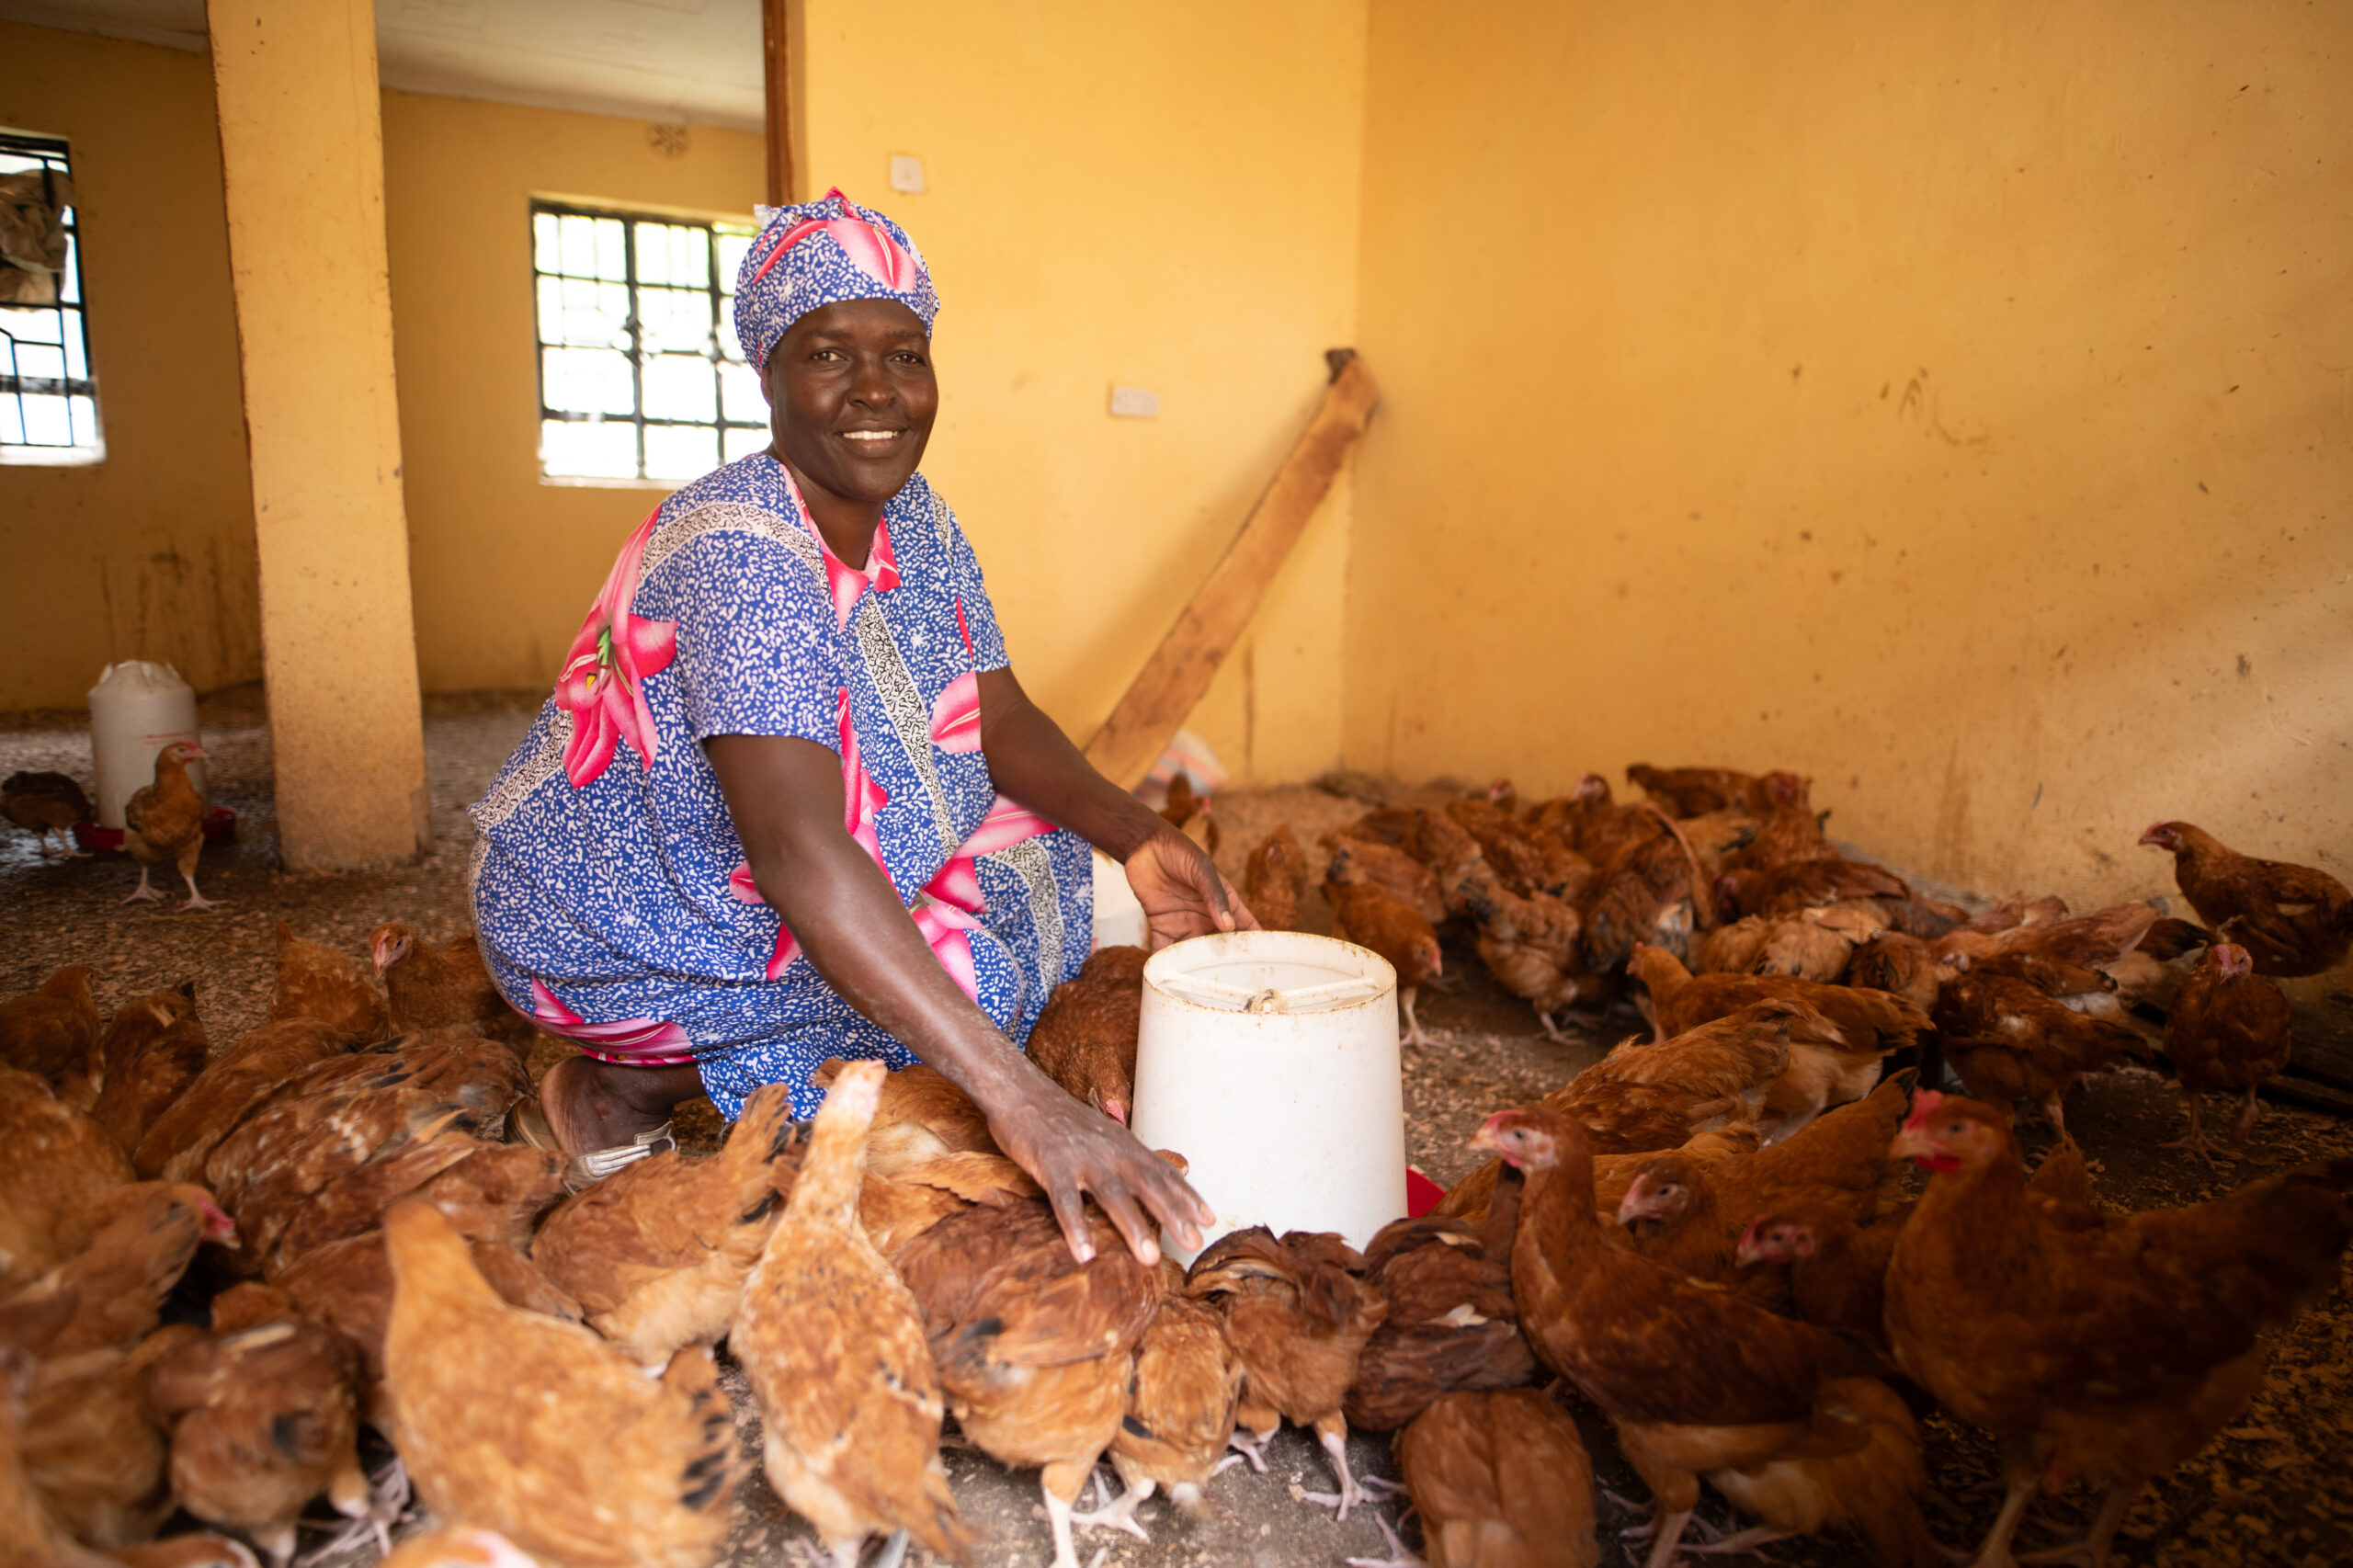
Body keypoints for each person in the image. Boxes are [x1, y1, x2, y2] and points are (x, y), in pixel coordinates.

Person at [471, 190, 1251, 1266]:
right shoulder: (740, 551)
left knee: (1045, 873)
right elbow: (798, 853)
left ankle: (763, 1056)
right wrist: (1024, 1099)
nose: (877, 390)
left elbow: (998, 714)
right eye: (829, 353)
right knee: (933, 1023)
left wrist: (1139, 836)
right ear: (768, 374)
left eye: (906, 353)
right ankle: (618, 1087)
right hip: (618, 907)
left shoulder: (916, 515)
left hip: (788, 860)